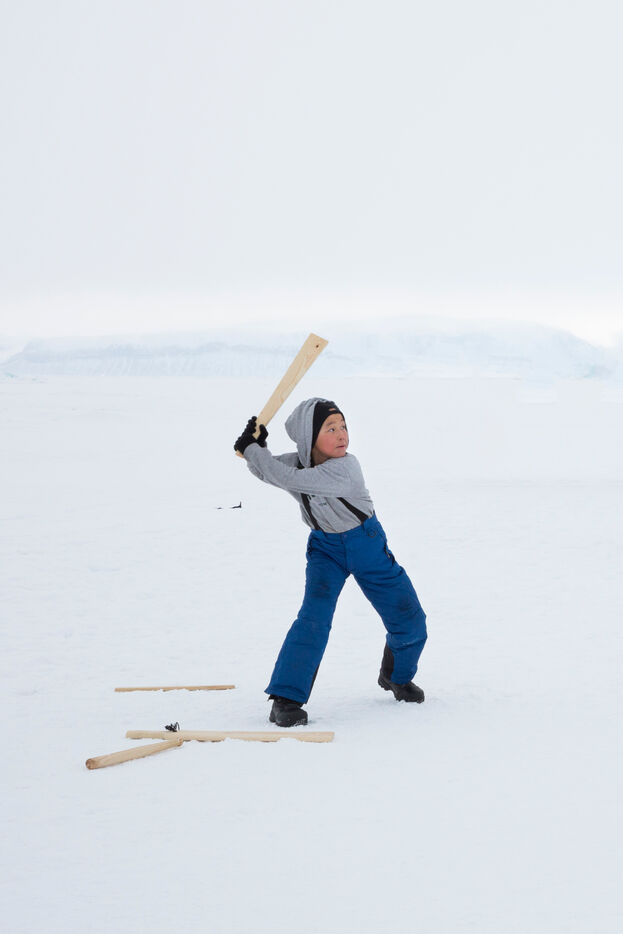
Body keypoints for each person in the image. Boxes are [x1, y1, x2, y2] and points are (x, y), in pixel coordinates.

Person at [234, 398, 427, 727]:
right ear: (309, 437)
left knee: (409, 618)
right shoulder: (298, 464)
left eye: (343, 426)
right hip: (326, 551)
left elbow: (282, 476)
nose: (342, 434)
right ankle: (285, 698)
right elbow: (266, 471)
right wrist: (256, 447)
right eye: (331, 428)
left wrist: (253, 449)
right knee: (313, 620)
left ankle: (396, 676)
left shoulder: (346, 468)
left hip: (367, 545)